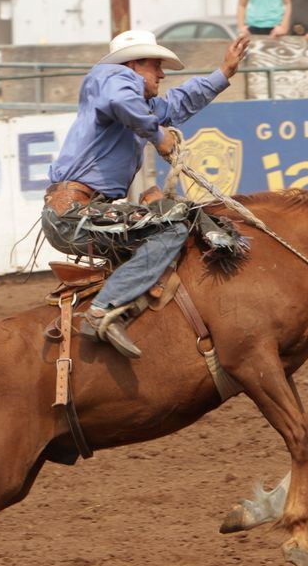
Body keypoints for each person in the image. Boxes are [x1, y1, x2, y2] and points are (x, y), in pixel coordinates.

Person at [42, 29, 249, 359]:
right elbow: (124, 102)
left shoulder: (131, 99)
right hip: (73, 214)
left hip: (81, 212)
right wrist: (156, 135)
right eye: (156, 65)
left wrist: (223, 73)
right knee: (173, 227)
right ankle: (104, 310)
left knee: (167, 222)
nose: (163, 73)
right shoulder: (109, 76)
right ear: (134, 65)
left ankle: (130, 314)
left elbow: (175, 105)